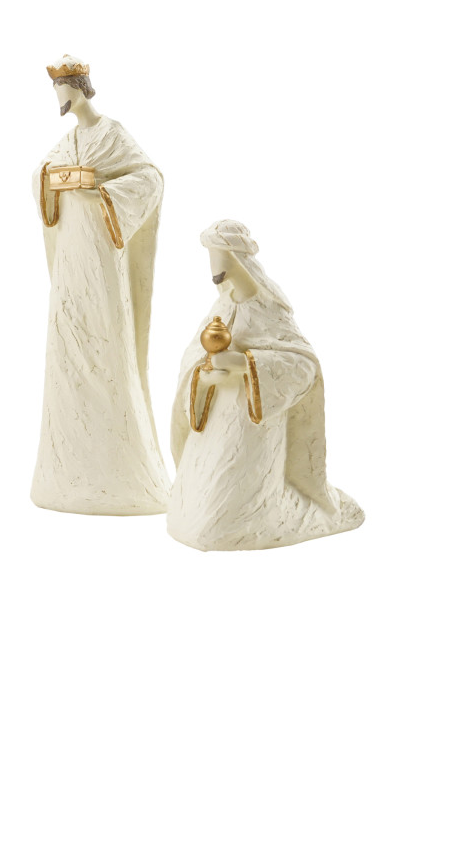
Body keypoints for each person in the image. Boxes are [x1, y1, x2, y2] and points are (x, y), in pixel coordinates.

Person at [167, 220, 364, 550]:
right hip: (215, 426)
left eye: (219, 257)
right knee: (187, 521)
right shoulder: (222, 307)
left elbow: (304, 365)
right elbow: (193, 360)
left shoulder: (268, 308)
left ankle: (270, 510)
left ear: (237, 259)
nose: (214, 269)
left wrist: (244, 364)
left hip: (250, 432)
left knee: (223, 524)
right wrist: (204, 376)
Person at [31, 60, 168, 515]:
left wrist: (102, 193)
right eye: (56, 92)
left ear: (81, 89)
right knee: (68, 339)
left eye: (64, 91)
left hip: (101, 254)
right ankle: (67, 466)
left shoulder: (112, 134)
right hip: (71, 253)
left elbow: (149, 177)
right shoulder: (67, 141)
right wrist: (50, 180)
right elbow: (41, 174)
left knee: (104, 339)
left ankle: (118, 467)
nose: (60, 100)